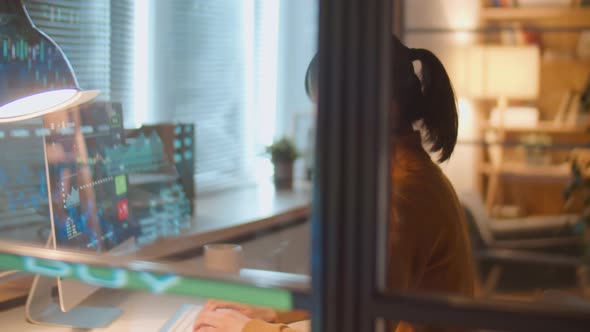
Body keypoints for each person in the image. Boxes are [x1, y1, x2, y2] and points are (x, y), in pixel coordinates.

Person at [193, 35, 475, 332]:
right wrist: (272, 312)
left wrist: (243, 329)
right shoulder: (404, 175)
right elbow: (356, 298)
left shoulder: (400, 194)